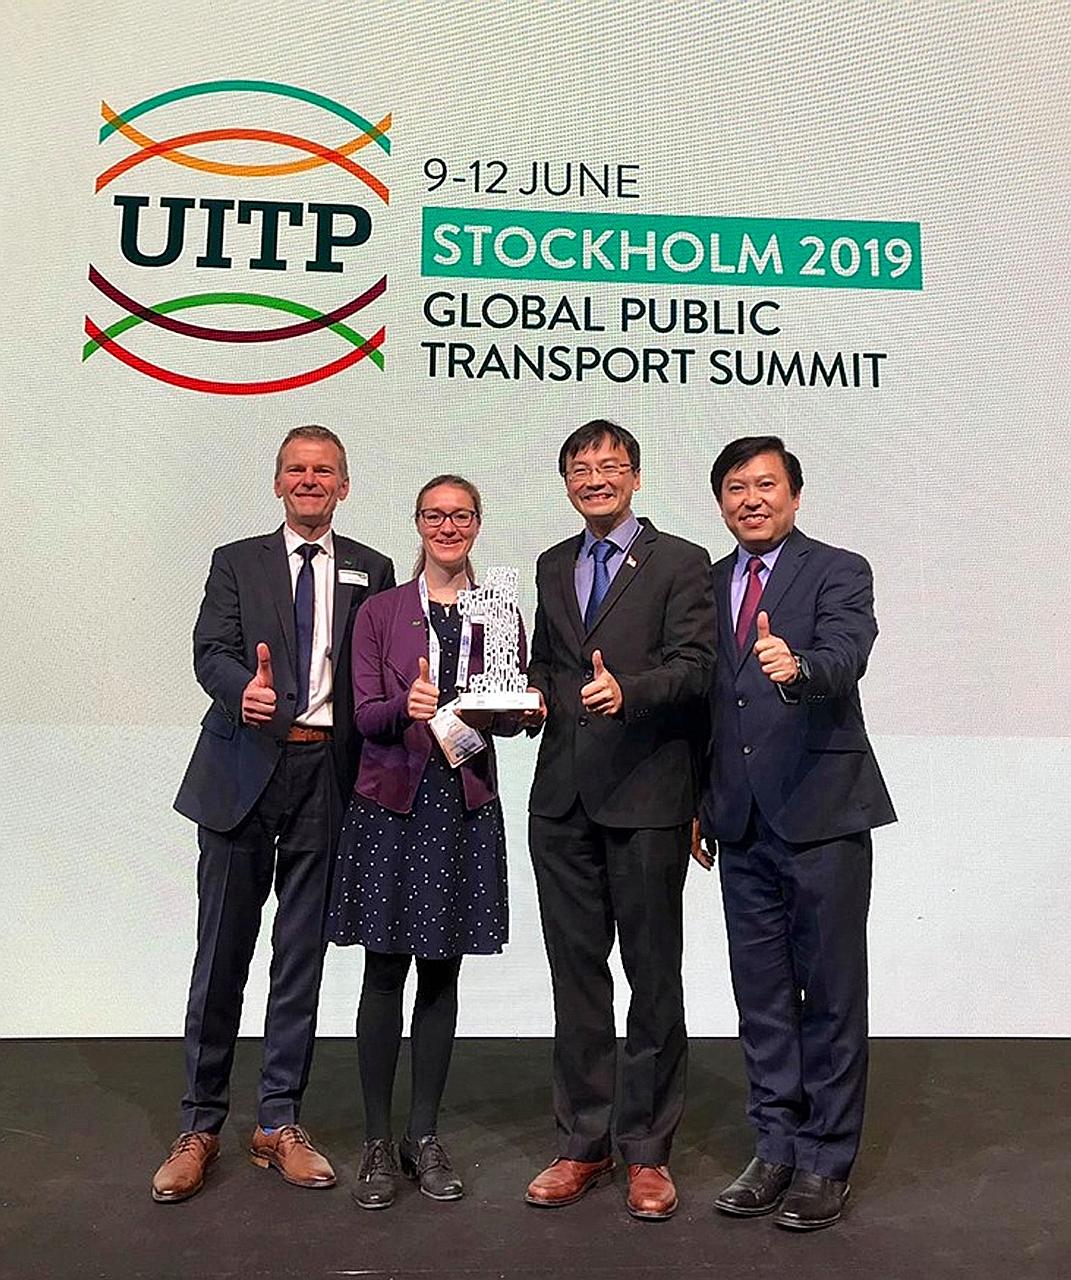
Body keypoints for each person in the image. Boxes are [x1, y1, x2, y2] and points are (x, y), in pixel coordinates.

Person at [151, 425, 394, 1204]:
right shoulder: (236, 561)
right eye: (297, 469)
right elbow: (209, 648)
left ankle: (279, 1121)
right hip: (241, 770)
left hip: (326, 772)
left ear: (344, 485)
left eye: (324, 470)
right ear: (277, 482)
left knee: (301, 955)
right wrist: (239, 689)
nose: (310, 480)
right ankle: (199, 1125)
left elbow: (377, 668)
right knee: (221, 950)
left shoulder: (374, 567)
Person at [696, 435, 896, 1231]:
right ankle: (774, 1146)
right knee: (763, 999)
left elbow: (847, 653)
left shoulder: (839, 569)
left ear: (795, 495)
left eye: (766, 485)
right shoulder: (705, 584)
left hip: (822, 814)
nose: (751, 498)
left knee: (832, 996)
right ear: (720, 502)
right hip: (737, 821)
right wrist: (698, 802)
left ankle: (824, 1160)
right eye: (736, 488)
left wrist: (799, 667)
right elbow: (702, 706)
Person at [523, 420, 715, 1221]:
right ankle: (583, 1143)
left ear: (635, 477)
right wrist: (528, 696)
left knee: (651, 977)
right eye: (580, 467)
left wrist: (628, 691)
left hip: (646, 798)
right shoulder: (551, 563)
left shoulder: (680, 561)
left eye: (609, 466)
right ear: (566, 481)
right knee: (576, 982)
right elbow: (543, 663)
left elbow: (698, 668)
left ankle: (647, 1153)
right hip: (560, 800)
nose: (594, 478)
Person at [328, 475, 520, 1210]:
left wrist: (519, 708)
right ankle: (378, 1141)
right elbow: (365, 713)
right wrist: (402, 707)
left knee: (441, 976)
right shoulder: (380, 611)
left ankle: (424, 1135)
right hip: (392, 805)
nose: (448, 526)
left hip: (462, 805)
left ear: (477, 523)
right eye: (435, 516)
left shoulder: (495, 609)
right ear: (417, 523)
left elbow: (503, 712)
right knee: (384, 974)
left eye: (461, 515)